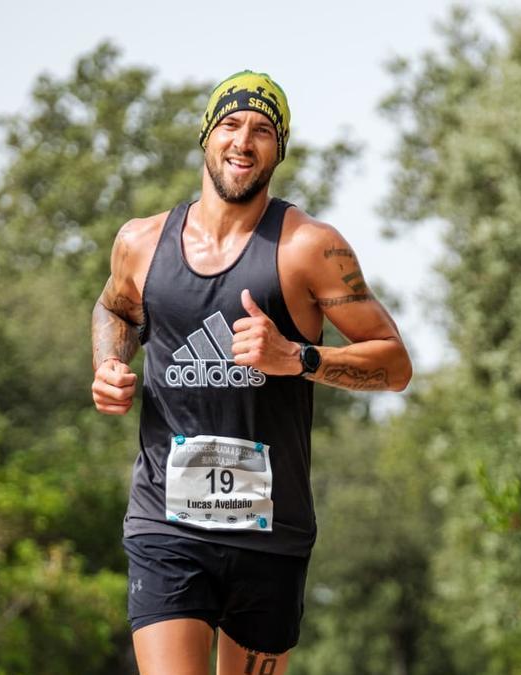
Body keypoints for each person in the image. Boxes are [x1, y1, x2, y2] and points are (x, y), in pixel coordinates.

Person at [89, 70, 412, 675]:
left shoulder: (308, 248)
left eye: (263, 130)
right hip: (166, 521)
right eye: (231, 124)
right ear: (206, 136)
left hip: (271, 532)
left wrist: (297, 357)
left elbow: (393, 364)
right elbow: (115, 307)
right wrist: (110, 362)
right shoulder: (140, 242)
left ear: (279, 150)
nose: (244, 141)